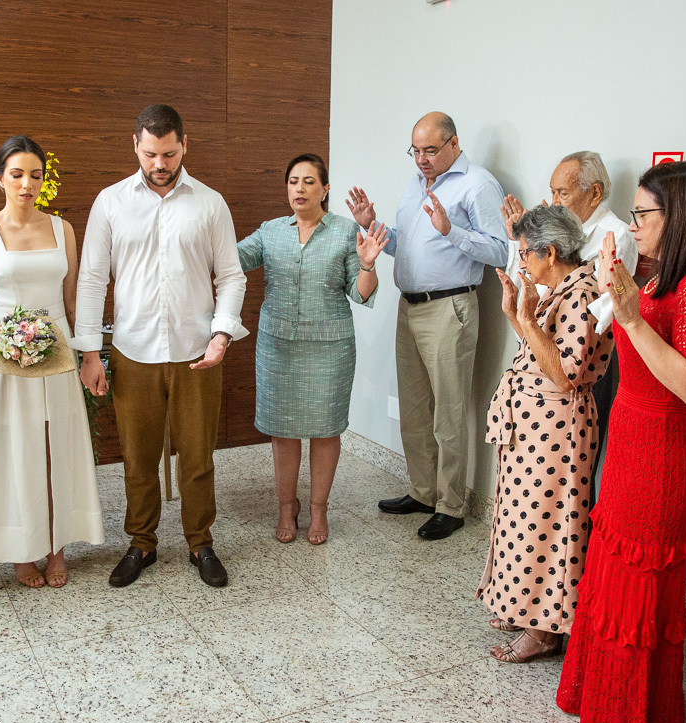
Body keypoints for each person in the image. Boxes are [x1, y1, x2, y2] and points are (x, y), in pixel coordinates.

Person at [556, 161, 686, 723]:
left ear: (679, 215)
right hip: (629, 443)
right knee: (609, 582)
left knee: (637, 597)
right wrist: (616, 293)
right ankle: (602, 705)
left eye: (642, 214)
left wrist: (631, 314)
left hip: (661, 455)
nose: (633, 224)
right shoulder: (663, 274)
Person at [75, 104, 247, 588]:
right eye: (150, 154)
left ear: (184, 145)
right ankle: (141, 543)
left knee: (197, 457)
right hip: (133, 350)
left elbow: (231, 277)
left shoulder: (210, 203)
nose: (159, 164)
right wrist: (90, 352)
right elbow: (91, 279)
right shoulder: (110, 202)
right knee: (137, 457)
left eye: (169, 154)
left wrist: (221, 334)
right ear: (135, 145)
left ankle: (200, 543)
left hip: (197, 352)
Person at [346, 112, 508, 541]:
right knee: (415, 408)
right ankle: (422, 491)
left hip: (450, 308)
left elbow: (502, 251)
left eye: (430, 150)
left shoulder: (477, 185)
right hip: (410, 307)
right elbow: (405, 244)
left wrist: (451, 231)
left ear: (453, 144)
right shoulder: (415, 185)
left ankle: (451, 505)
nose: (421, 159)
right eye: (415, 151)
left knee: (449, 412)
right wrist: (371, 226)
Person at [0, 135, 104, 588]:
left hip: (57, 351)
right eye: (17, 174)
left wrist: (89, 354)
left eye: (35, 175)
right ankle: (22, 549)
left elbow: (72, 299)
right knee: (15, 451)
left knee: (58, 446)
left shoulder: (62, 229)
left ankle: (57, 546)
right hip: (7, 354)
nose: (27, 184)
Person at [475, 205, 614, 663]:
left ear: (549, 253)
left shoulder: (583, 293)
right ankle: (522, 607)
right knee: (520, 520)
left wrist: (528, 319)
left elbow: (565, 374)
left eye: (525, 253)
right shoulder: (560, 289)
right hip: (533, 426)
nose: (522, 262)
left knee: (547, 525)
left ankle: (544, 629)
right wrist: (515, 314)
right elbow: (538, 351)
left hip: (558, 429)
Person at [237, 154, 386, 545]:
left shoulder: (345, 232)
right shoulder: (270, 231)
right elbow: (232, 259)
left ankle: (319, 509)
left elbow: (361, 294)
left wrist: (368, 265)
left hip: (330, 348)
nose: (299, 189)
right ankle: (287, 506)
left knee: (325, 431)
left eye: (308, 181)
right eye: (293, 181)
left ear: (325, 189)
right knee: (283, 432)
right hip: (277, 348)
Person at [500, 152, 638, 483]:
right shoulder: (554, 233)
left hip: (580, 360)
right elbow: (528, 287)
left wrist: (547, 243)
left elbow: (597, 313)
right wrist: (522, 240)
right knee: (529, 470)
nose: (554, 201)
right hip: (539, 349)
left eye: (563, 192)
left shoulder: (615, 234)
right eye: (552, 192)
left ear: (595, 192)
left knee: (568, 474)